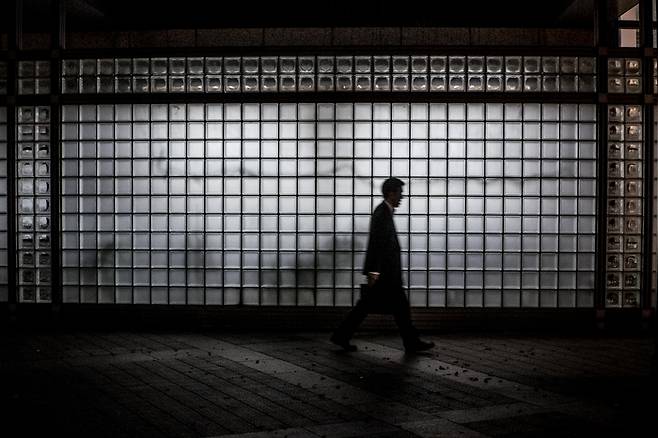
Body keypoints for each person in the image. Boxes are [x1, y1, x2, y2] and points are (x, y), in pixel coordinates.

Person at [330, 177, 435, 353]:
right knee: (385, 307)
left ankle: (342, 336)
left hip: (385, 274)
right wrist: (373, 272)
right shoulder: (382, 214)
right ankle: (411, 342)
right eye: (400, 193)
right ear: (391, 193)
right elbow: (377, 246)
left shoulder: (383, 212)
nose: (402, 197)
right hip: (385, 275)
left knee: (373, 307)